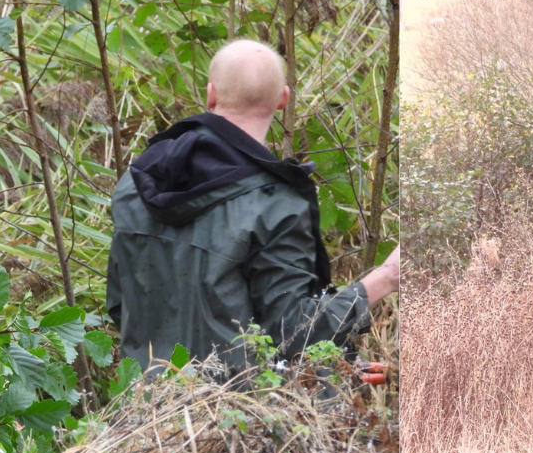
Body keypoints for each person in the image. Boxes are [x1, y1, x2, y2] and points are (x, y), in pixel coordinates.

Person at [107, 39, 399, 379]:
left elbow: (120, 305)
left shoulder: (135, 183)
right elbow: (294, 334)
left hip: (146, 406)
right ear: (283, 100)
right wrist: (385, 278)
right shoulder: (276, 205)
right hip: (237, 416)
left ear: (211, 93)